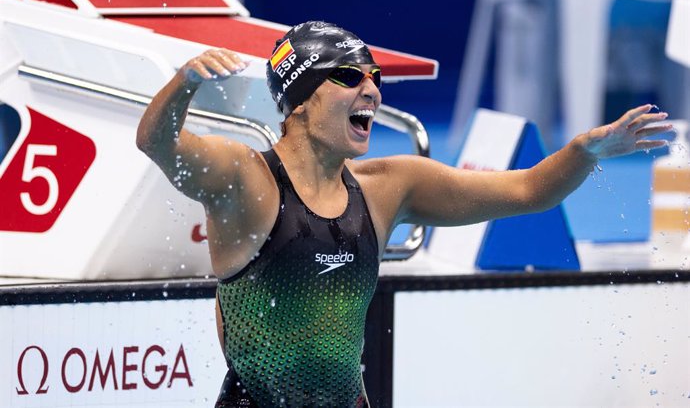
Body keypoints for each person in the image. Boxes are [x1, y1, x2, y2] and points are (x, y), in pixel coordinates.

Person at [136, 21, 671, 407]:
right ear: (298, 99)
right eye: (347, 76)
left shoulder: (388, 188)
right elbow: (158, 144)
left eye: (373, 77)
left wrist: (584, 151)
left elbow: (529, 190)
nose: (370, 88)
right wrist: (184, 83)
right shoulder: (248, 181)